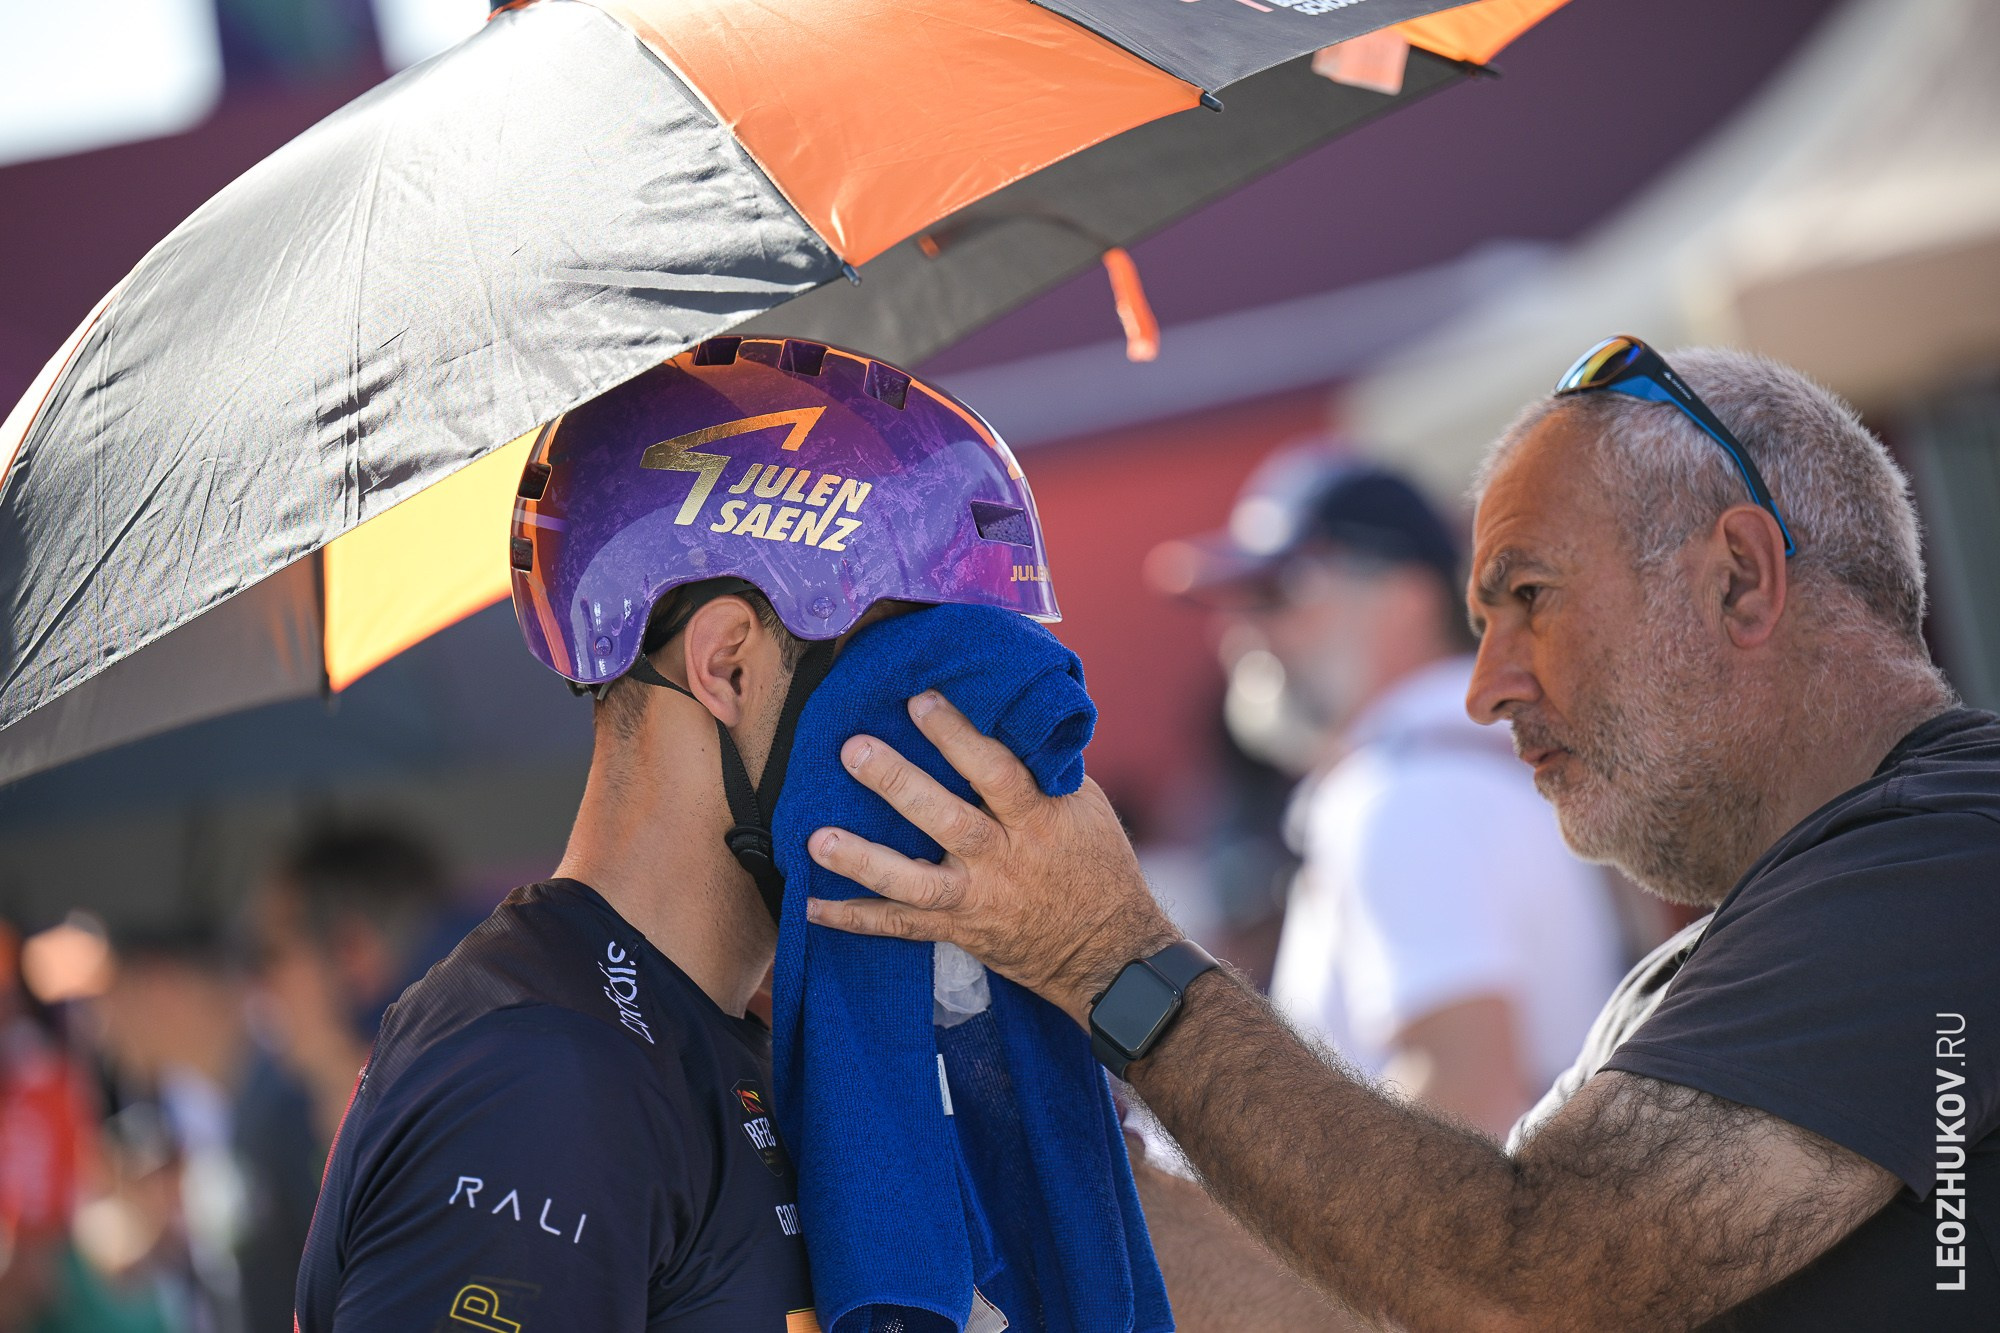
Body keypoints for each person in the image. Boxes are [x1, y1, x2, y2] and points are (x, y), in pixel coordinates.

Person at [803, 339, 1999, 1329]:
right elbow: (1408, 1297)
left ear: (1737, 579)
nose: (1483, 687)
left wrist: (1109, 962)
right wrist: (1036, 1148)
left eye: (1527, 596)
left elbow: (1523, 1283)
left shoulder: (1954, 851)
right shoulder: (1782, 927)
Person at [293, 336, 1065, 1330]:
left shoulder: (719, 1038)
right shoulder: (545, 1080)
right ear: (729, 668)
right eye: (915, 677)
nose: (964, 745)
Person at [1150, 452, 1624, 1136]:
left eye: (1281, 592)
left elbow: (1463, 1106)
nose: (1242, 632)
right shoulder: (1461, 768)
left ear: (1410, 598)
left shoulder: (1405, 797)